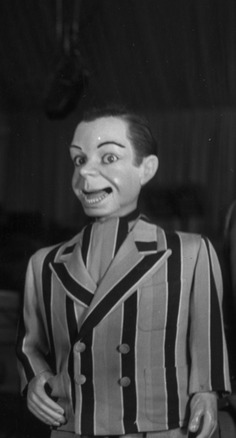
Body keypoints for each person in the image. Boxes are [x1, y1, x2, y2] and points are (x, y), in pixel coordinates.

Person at [16, 106, 231, 438]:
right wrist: (34, 381)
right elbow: (30, 346)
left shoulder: (189, 252)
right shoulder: (44, 264)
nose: (86, 173)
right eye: (78, 160)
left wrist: (207, 392)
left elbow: (207, 339)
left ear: (146, 168)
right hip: (73, 428)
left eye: (108, 158)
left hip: (158, 428)